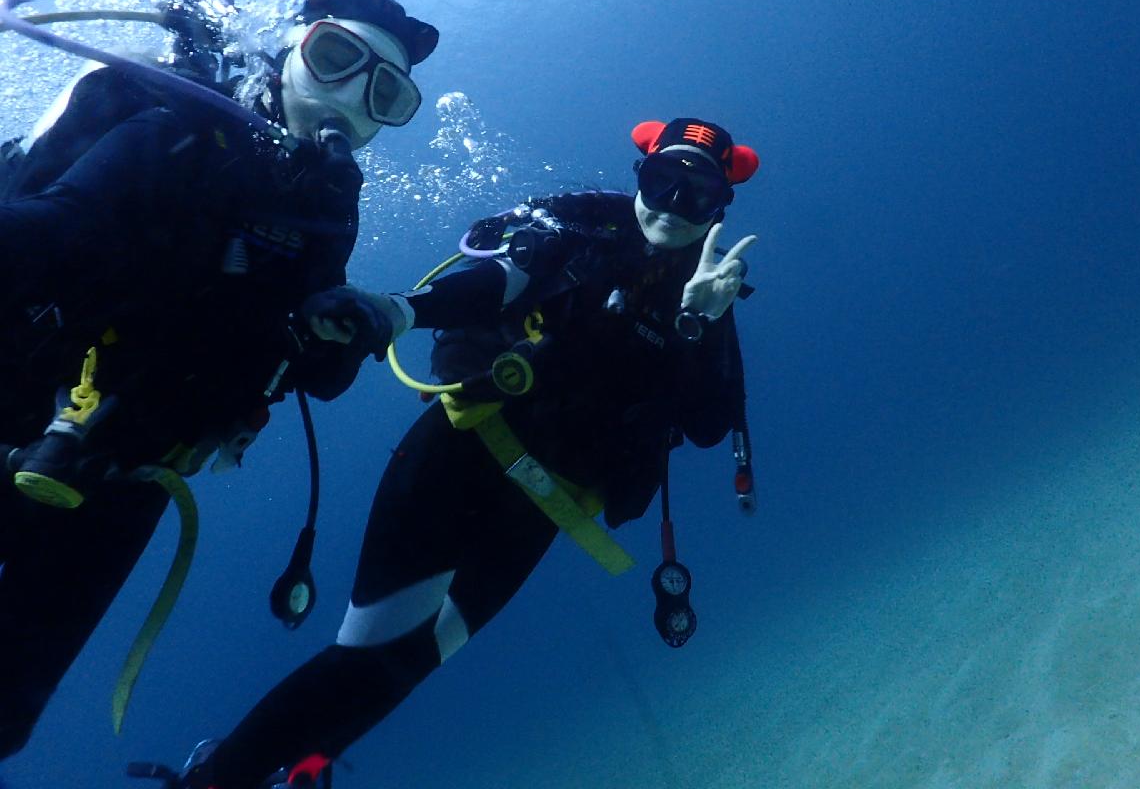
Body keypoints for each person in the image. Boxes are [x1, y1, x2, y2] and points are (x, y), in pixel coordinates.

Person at [171, 117, 760, 789]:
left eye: (698, 195)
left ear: (720, 206)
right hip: (461, 456)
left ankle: (304, 767)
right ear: (639, 177)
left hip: (546, 507)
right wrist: (401, 310)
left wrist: (696, 326)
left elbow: (712, 426)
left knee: (411, 664)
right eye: (663, 183)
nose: (674, 209)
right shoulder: (579, 229)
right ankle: (215, 778)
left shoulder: (711, 291)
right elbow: (500, 280)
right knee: (364, 654)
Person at [0, 0, 438, 759]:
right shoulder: (175, 127)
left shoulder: (329, 205)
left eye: (383, 94)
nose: (348, 98)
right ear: (294, 47)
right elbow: (54, 230)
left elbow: (318, 372)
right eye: (337, 60)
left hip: (129, 483)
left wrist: (330, 324)